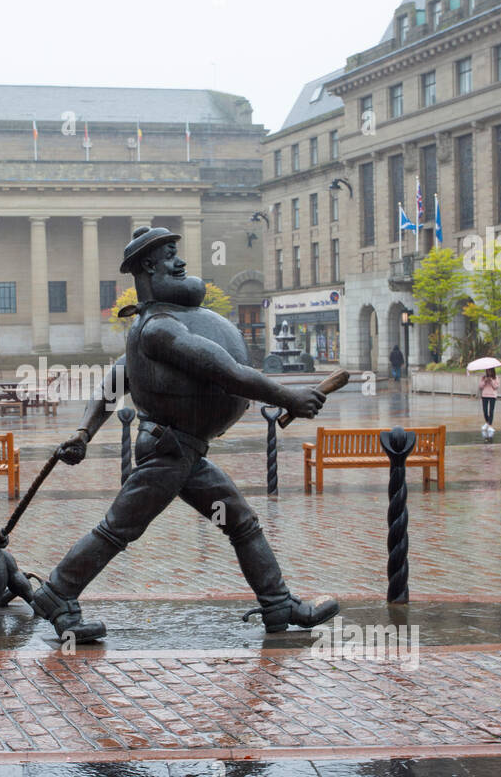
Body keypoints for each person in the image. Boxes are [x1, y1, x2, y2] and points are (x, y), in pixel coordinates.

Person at [29, 226, 340, 643]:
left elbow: (112, 383)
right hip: (169, 451)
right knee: (117, 529)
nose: (181, 262)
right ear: (147, 268)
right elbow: (226, 370)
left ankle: (278, 604)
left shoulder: (151, 326)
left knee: (241, 522)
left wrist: (85, 432)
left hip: (182, 452)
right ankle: (57, 593)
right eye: (170, 255)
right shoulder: (160, 329)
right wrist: (288, 397)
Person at [479, 367, 500, 441]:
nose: (488, 372)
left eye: (489, 371)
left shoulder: (496, 377)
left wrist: (491, 381)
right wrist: (484, 381)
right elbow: (480, 386)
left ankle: (490, 425)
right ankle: (487, 422)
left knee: (491, 411)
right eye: (487, 371)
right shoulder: (483, 377)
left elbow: (496, 387)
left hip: (492, 396)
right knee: (485, 411)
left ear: (492, 371)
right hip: (485, 395)